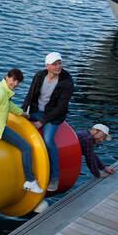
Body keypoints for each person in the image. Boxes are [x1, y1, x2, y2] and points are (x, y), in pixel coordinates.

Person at [0, 68, 43, 195]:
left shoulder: (2, 89)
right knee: (26, 147)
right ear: (7, 77)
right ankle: (29, 180)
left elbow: (8, 106)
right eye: (13, 80)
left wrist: (22, 113)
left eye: (18, 82)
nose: (15, 84)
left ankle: (29, 180)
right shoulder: (0, 93)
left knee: (24, 146)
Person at [23, 52, 76, 193]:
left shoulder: (67, 82)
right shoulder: (39, 75)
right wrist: (23, 111)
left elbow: (61, 107)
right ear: (47, 66)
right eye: (54, 64)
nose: (58, 66)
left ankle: (54, 177)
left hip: (52, 115)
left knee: (48, 140)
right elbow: (30, 95)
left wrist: (42, 122)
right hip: (35, 110)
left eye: (60, 63)